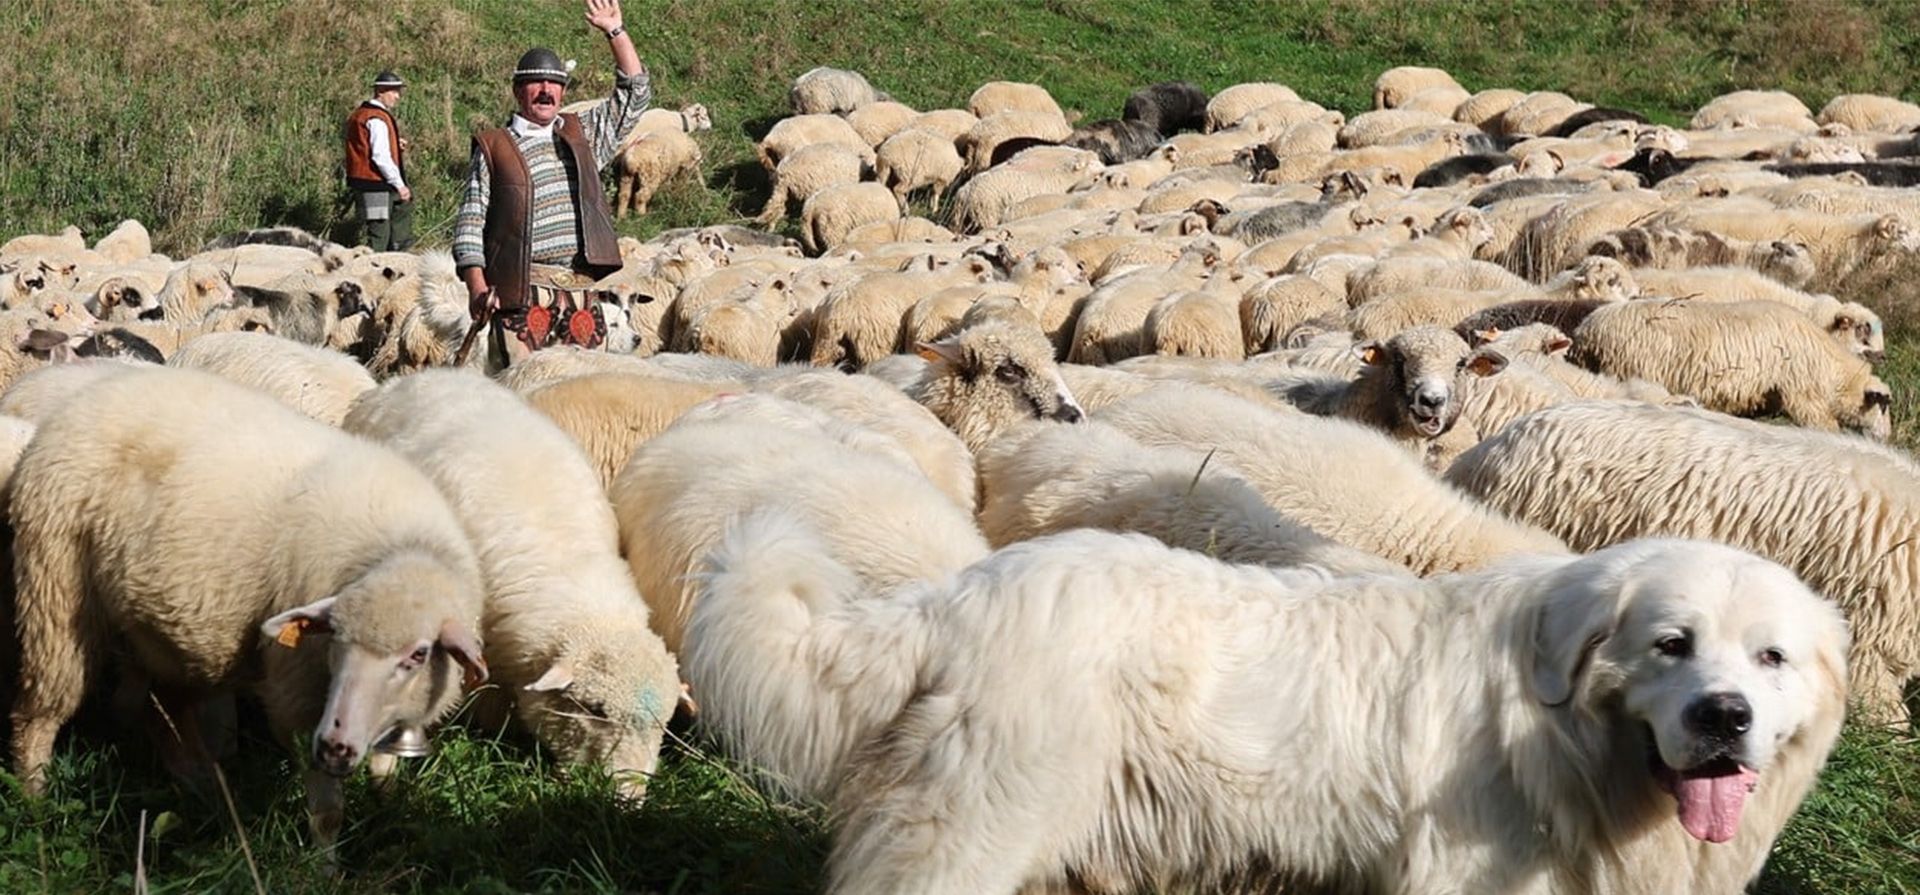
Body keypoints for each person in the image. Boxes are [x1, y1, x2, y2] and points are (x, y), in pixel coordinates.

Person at [451, 0, 650, 370]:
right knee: (521, 395)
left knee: (578, 398)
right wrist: (477, 286)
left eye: (554, 84)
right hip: (520, 294)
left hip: (580, 295)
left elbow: (634, 95)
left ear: (563, 91)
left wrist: (615, 32)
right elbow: (469, 225)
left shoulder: (584, 136)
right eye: (535, 83)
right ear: (517, 91)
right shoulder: (495, 146)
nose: (546, 91)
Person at [342, 70, 414, 251]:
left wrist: (394, 144)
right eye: (394, 91)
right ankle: (384, 270)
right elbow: (380, 157)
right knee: (379, 236)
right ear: (381, 90)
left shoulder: (361, 113)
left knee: (383, 230)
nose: (398, 97)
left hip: (369, 184)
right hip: (376, 185)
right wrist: (400, 184)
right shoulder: (376, 118)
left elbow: (364, 145)